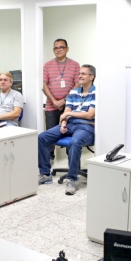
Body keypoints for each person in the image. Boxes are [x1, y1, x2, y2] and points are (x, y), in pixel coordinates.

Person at [38, 64, 96, 196]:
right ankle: (45, 174)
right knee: (42, 137)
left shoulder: (96, 93)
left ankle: (72, 179)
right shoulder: (74, 92)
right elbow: (67, 111)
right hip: (69, 124)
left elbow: (89, 115)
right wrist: (63, 122)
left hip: (86, 126)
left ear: (91, 77)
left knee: (74, 142)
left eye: (83, 74)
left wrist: (67, 115)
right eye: (79, 73)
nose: (79, 76)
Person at [43, 39, 80, 161]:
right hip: (51, 105)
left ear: (67, 49)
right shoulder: (47, 65)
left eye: (61, 47)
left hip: (70, 105)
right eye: (55, 48)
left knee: (70, 130)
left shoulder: (75, 65)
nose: (58, 49)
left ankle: (72, 157)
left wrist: (64, 100)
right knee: (50, 132)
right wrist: (54, 101)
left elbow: (77, 85)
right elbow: (44, 85)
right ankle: (49, 158)